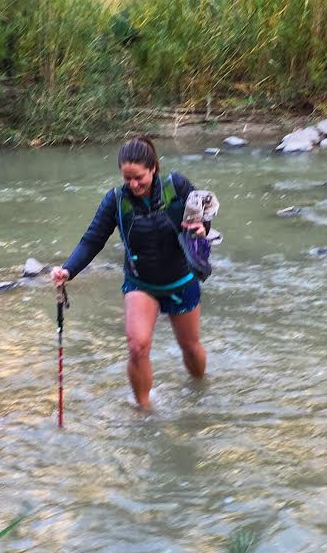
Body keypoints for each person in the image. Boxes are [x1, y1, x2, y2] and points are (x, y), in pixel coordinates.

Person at [51, 135, 210, 409]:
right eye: (127, 179)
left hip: (181, 278)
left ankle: (200, 390)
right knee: (137, 347)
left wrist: (203, 227)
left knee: (191, 347)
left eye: (139, 177)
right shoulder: (115, 201)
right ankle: (144, 411)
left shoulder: (177, 186)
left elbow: (203, 212)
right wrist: (68, 269)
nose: (133, 184)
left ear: (153, 169)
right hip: (141, 283)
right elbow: (93, 239)